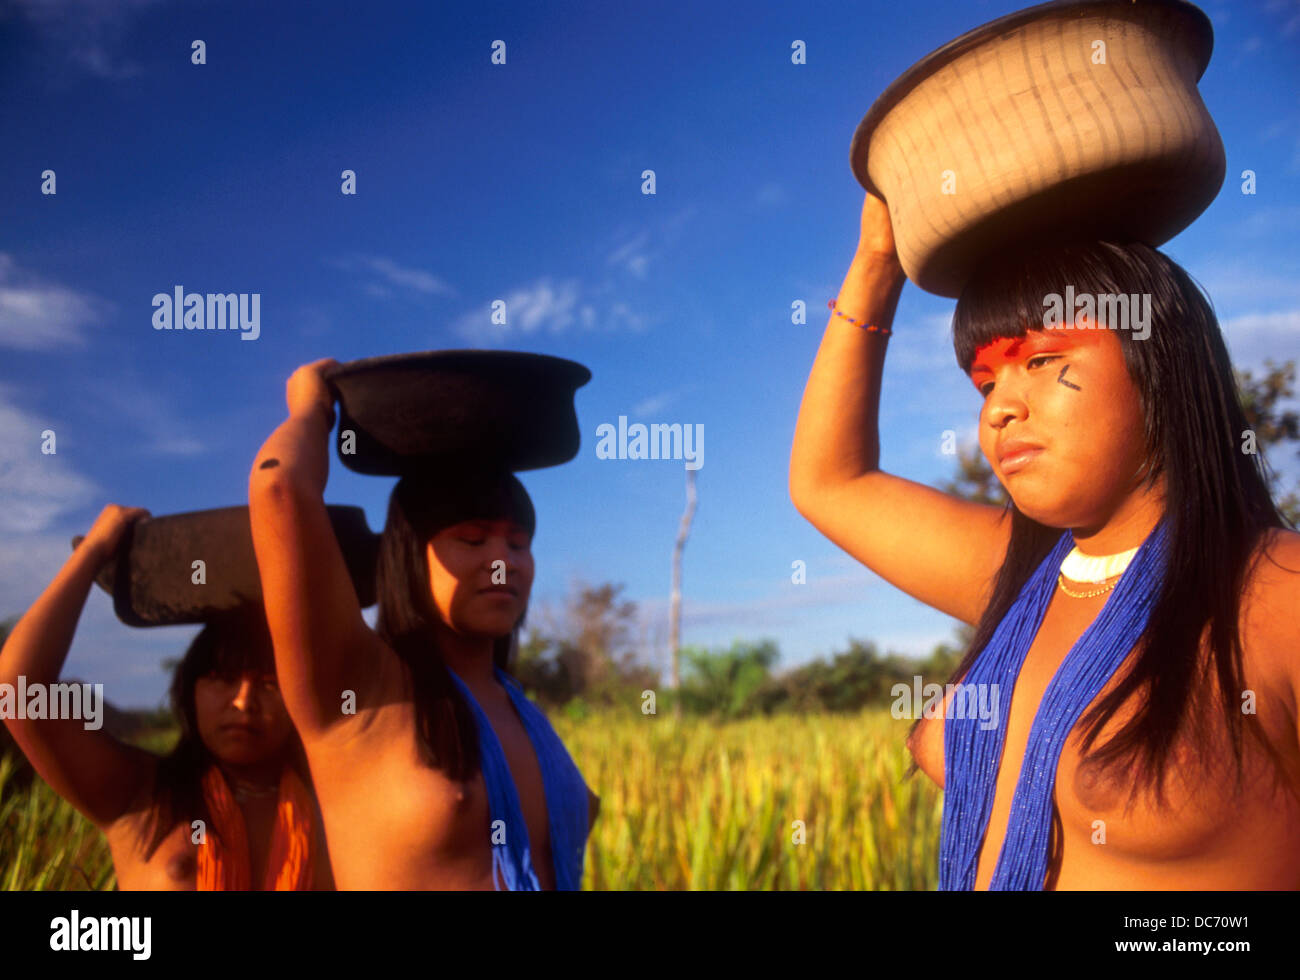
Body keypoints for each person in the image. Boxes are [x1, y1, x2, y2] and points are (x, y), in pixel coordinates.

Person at [790, 192, 1300, 889]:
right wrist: (878, 259)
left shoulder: (1277, 598)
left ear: (1161, 363)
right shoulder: (1026, 574)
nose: (999, 407)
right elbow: (830, 482)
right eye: (984, 379)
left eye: (1040, 361)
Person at [248, 359, 599, 890]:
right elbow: (280, 489)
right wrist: (311, 408)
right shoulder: (360, 694)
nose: (502, 561)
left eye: (518, 543)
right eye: (473, 540)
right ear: (410, 557)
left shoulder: (520, 709)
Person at [0, 504, 332, 890]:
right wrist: (93, 551)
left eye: (269, 683)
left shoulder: (333, 803)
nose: (244, 702)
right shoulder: (140, 795)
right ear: (189, 690)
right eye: (222, 679)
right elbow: (19, 688)